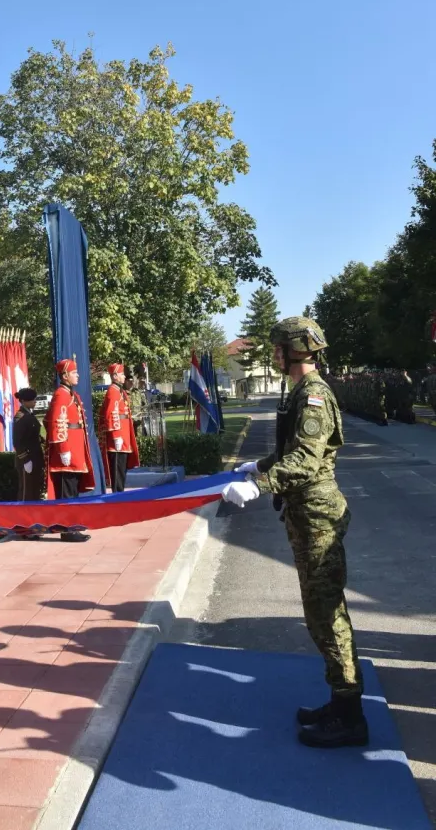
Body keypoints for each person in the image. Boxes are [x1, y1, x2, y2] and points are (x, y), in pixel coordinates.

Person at [221, 317, 367, 749]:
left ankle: (350, 714)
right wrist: (261, 466)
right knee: (319, 612)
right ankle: (341, 703)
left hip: (318, 516)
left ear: (294, 350)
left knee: (326, 613)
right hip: (306, 514)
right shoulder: (302, 391)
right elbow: (292, 453)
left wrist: (258, 485)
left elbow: (306, 460)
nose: (273, 354)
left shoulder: (314, 395)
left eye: (278, 348)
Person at [44, 357, 95, 542]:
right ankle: (68, 530)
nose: (77, 375)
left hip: (75, 451)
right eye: (74, 372)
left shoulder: (70, 394)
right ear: (65, 375)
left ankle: (72, 525)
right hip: (67, 453)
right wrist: (63, 449)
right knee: (67, 493)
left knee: (72, 491)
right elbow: (57, 423)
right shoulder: (61, 395)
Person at [98, 363, 140, 492]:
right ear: (115, 376)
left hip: (124, 435)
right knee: (117, 469)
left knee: (122, 469)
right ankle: (117, 495)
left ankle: (120, 493)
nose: (123, 376)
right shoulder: (113, 391)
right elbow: (112, 413)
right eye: (121, 374)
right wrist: (116, 436)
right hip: (119, 437)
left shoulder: (119, 390)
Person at [13, 387, 47, 502]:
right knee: (26, 492)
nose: (34, 402)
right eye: (32, 400)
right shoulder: (20, 417)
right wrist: (25, 459)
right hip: (26, 459)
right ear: (23, 401)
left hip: (35, 457)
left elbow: (34, 435)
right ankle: (23, 515)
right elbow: (17, 441)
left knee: (35, 490)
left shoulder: (29, 415)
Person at [125, 370, 146, 438]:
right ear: (125, 382)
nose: (131, 382)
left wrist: (143, 415)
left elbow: (144, 405)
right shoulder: (123, 393)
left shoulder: (137, 392)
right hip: (128, 421)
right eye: (129, 381)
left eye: (132, 381)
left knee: (139, 438)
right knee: (129, 438)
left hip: (138, 420)